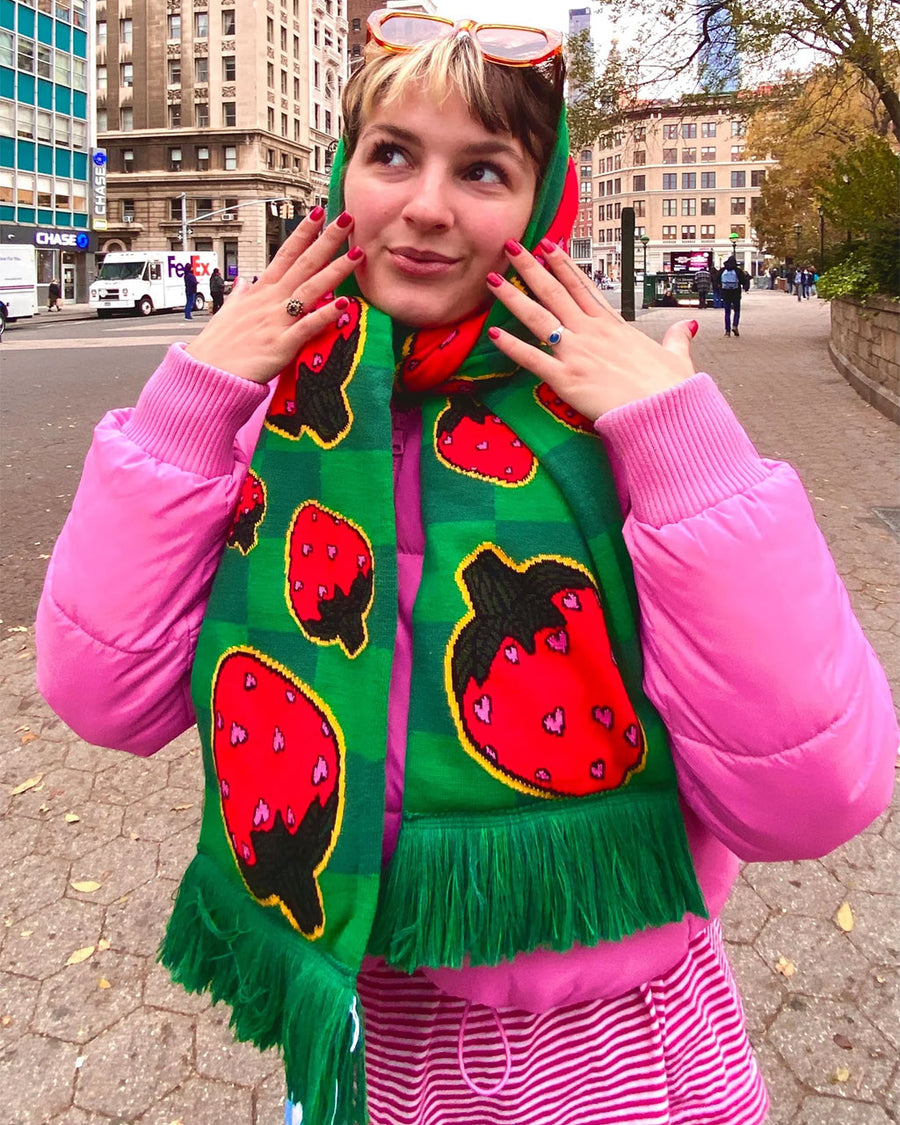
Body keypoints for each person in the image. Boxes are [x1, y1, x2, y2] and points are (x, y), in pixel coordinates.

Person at [35, 12, 896, 1125]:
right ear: (346, 176)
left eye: (483, 169)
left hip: (615, 1058)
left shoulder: (626, 422)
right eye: (392, 153)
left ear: (541, 204)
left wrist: (689, 456)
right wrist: (195, 403)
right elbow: (105, 699)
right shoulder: (275, 424)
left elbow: (813, 801)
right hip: (357, 1042)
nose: (427, 206)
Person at [718, 254, 749, 336]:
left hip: (725, 293)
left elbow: (717, 280)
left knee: (727, 312)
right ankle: (735, 325)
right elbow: (743, 281)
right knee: (737, 311)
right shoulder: (738, 271)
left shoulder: (722, 270)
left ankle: (727, 331)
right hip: (736, 293)